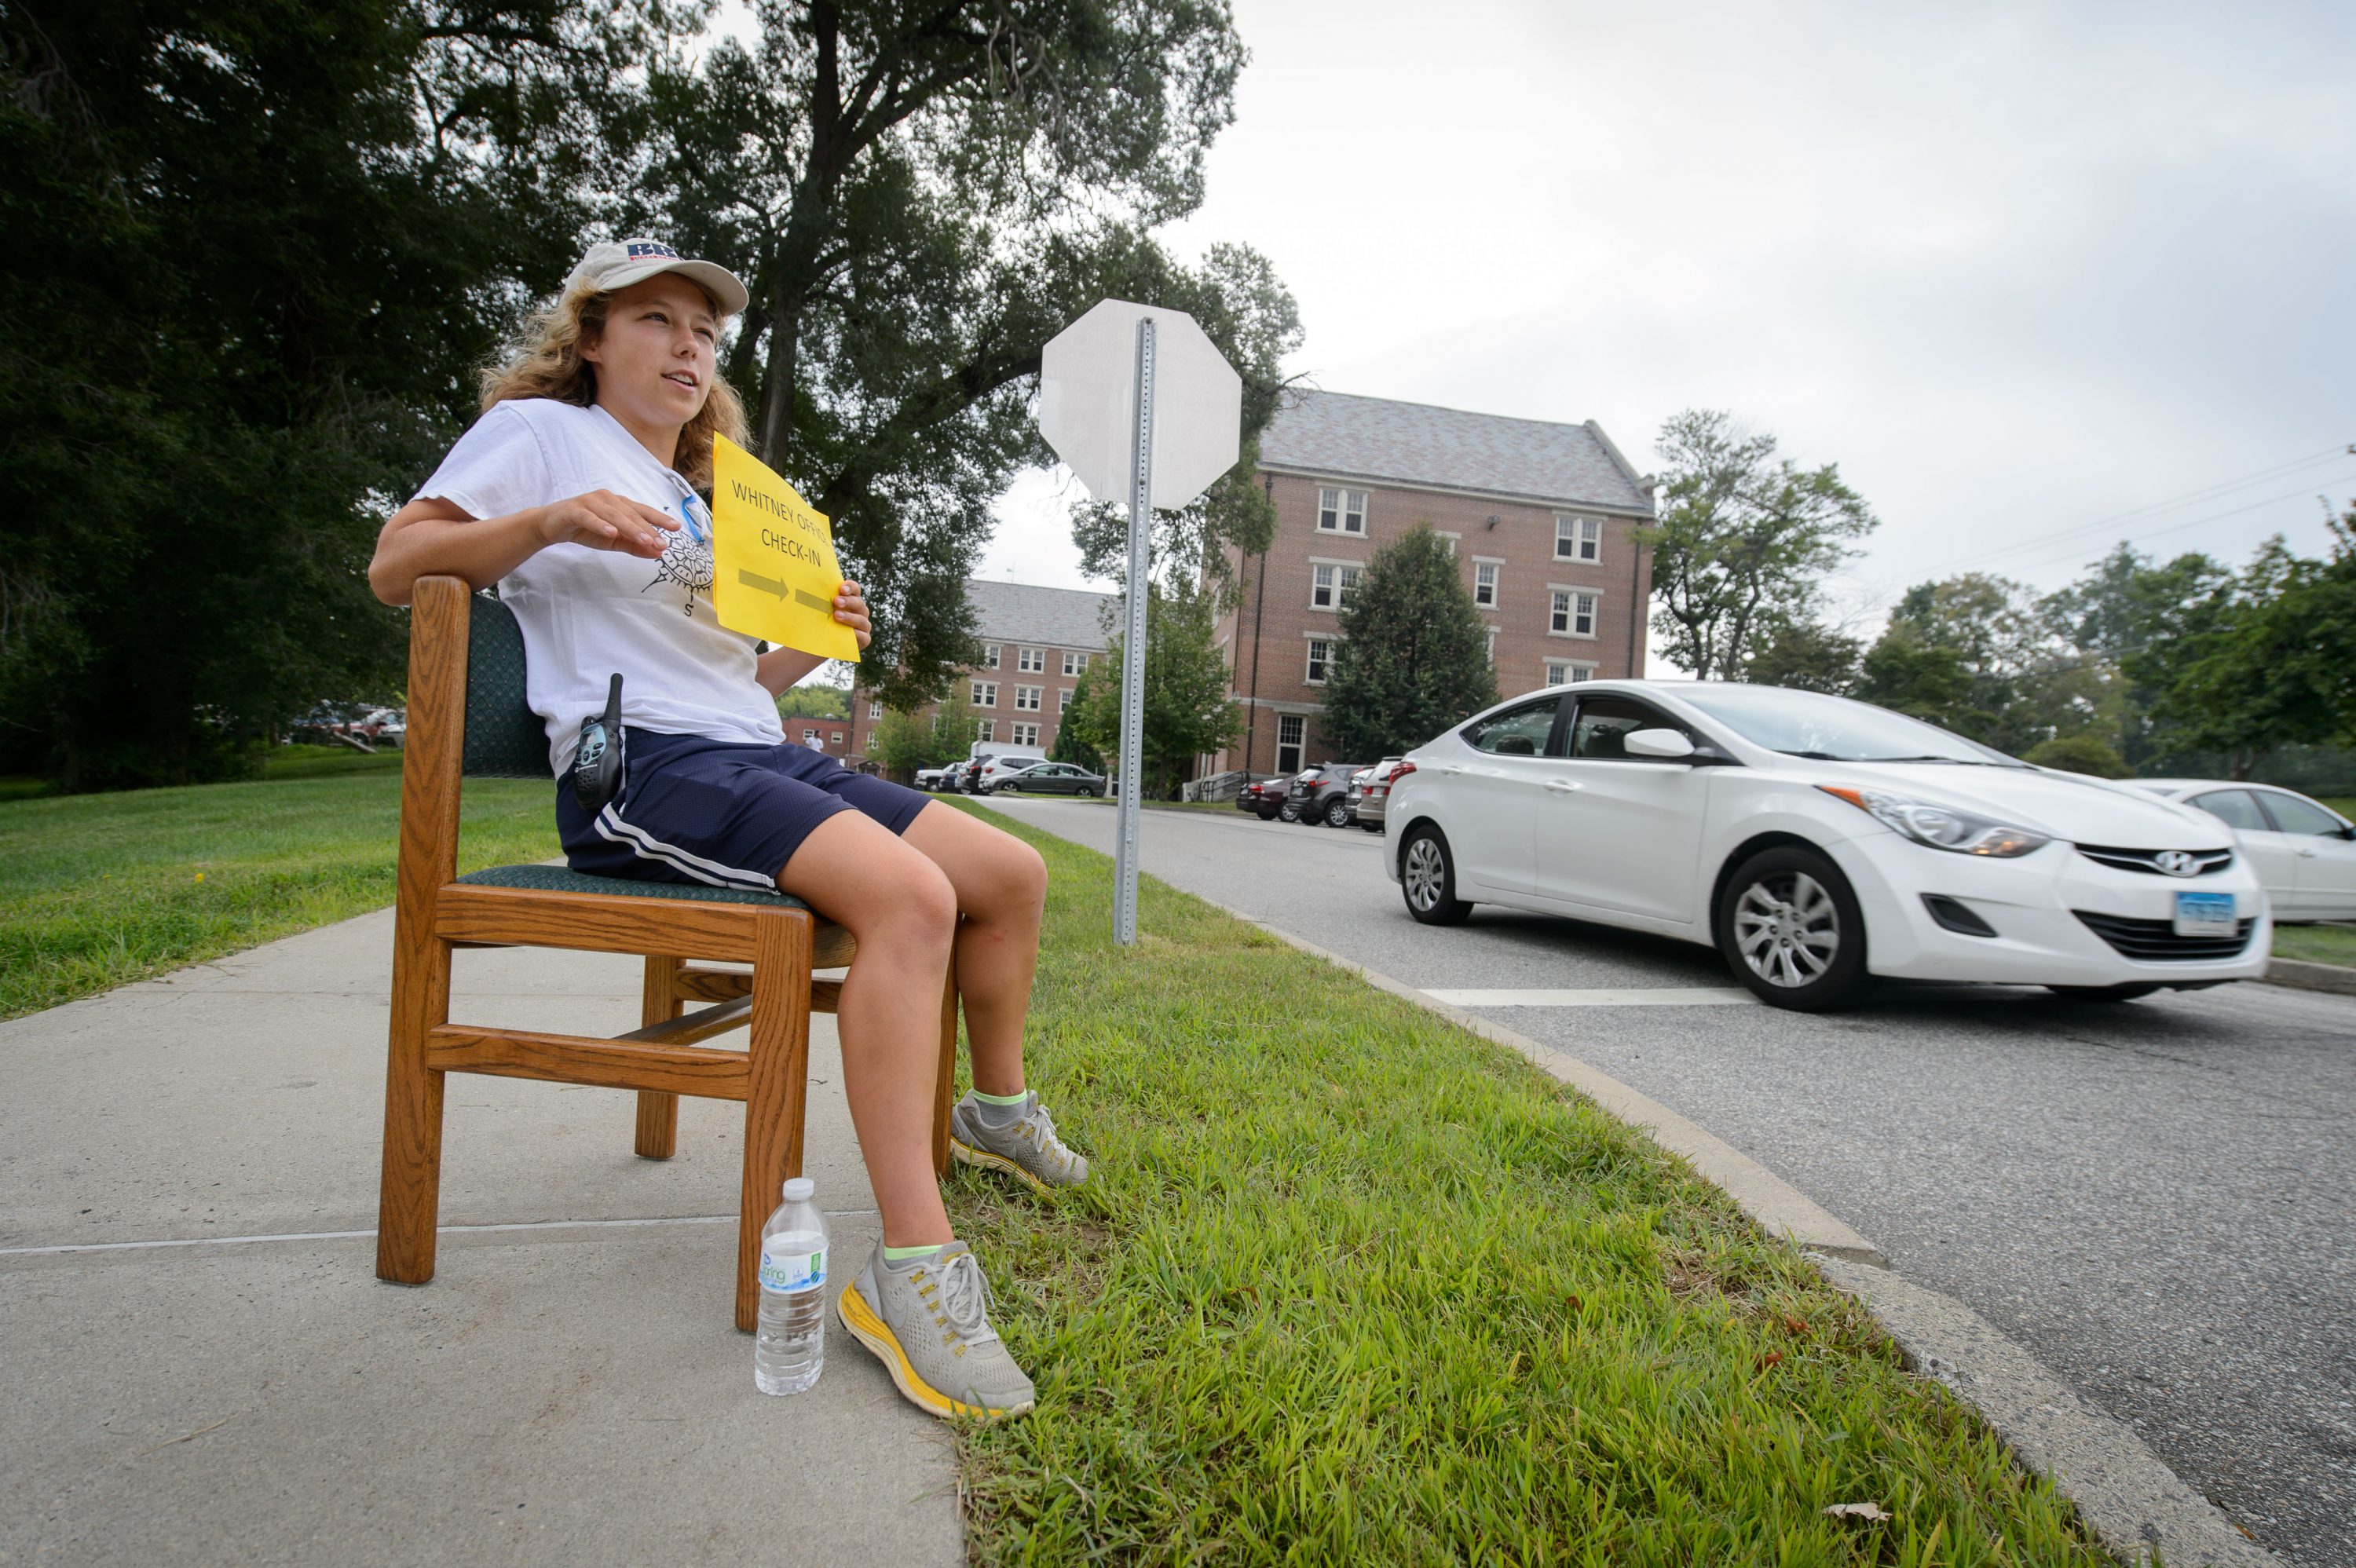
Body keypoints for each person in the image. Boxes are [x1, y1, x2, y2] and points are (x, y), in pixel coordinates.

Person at [367, 238, 1086, 1422]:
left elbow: (744, 680)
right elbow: (397, 563)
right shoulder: (542, 437)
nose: (688, 347)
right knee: (912, 901)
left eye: (703, 332)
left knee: (1005, 871)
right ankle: (910, 1266)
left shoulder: (709, 494)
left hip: (744, 744)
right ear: (592, 337)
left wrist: (825, 633)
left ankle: (995, 1110)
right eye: (656, 320)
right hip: (637, 767)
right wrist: (550, 522)